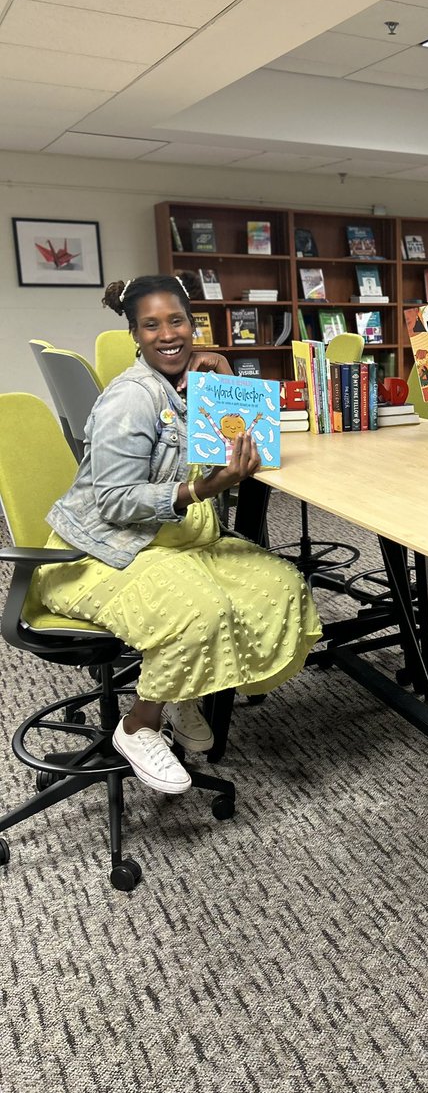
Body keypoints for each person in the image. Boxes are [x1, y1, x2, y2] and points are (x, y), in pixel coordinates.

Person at [37, 273, 322, 795]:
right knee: (201, 609)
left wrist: (226, 382)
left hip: (174, 541)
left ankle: (188, 689)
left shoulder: (188, 383)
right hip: (102, 550)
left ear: (194, 325)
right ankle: (139, 724)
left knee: (277, 582)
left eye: (177, 321)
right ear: (135, 335)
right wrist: (201, 491)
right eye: (151, 325)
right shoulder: (131, 399)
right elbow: (115, 502)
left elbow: (236, 440)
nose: (167, 334)